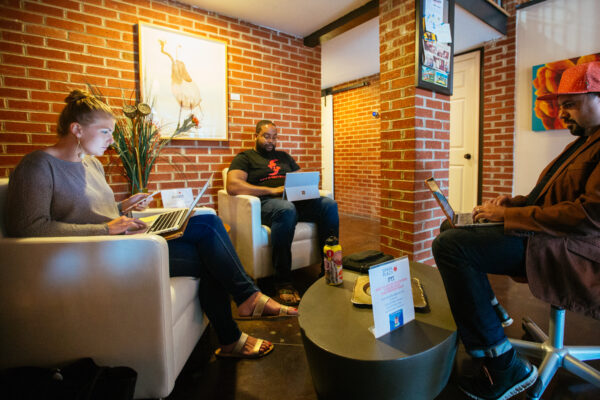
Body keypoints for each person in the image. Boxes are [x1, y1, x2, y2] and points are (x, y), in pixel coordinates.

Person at [5, 90, 297, 360]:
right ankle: (245, 305)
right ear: (77, 129)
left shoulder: (90, 163)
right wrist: (107, 229)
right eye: (105, 131)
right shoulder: (38, 165)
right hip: (92, 256)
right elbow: (29, 228)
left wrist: (123, 207)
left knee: (206, 220)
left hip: (121, 243)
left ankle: (236, 326)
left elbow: (92, 212)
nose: (111, 139)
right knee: (208, 236)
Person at [432, 61, 600, 400]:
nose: (562, 113)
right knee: (449, 227)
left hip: (573, 250)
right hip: (551, 236)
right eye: (560, 105)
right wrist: (509, 206)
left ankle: (503, 365)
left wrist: (510, 218)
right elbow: (550, 198)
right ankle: (492, 313)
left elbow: (588, 215)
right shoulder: (583, 143)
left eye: (570, 104)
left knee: (453, 247)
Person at [226, 120, 339, 305]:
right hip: (266, 204)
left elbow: (301, 179)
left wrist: (306, 189)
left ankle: (329, 268)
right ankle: (283, 281)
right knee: (286, 209)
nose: (271, 141)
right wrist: (272, 190)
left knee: (328, 204)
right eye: (266, 136)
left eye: (274, 137)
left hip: (292, 201)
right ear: (255, 136)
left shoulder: (285, 157)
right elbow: (232, 185)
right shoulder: (244, 158)